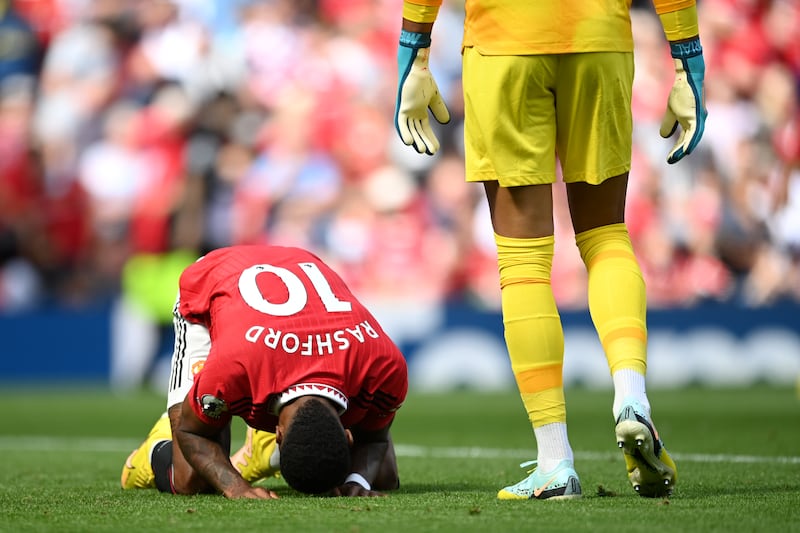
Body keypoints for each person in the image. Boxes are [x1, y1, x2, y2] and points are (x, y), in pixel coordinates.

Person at [394, 0, 707, 499]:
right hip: (598, 39)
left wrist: (415, 51)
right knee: (606, 233)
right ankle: (631, 397)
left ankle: (555, 461)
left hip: (505, 43)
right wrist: (687, 59)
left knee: (523, 263)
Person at [120, 245, 408, 498]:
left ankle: (261, 451)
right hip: (212, 283)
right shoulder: (232, 368)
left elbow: (375, 439)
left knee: (383, 476)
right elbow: (191, 432)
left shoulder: (385, 364)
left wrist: (356, 480)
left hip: (294, 266)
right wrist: (236, 488)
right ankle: (149, 453)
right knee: (190, 479)